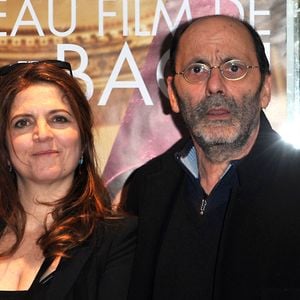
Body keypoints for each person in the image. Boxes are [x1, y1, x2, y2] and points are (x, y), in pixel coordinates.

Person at [124, 15, 300, 300]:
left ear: (265, 89)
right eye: (197, 69)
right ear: (172, 92)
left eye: (234, 68)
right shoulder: (147, 190)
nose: (215, 85)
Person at [0, 60, 136, 300]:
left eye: (59, 119)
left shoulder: (118, 240)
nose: (42, 134)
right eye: (22, 123)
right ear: (5, 148)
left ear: (83, 141)